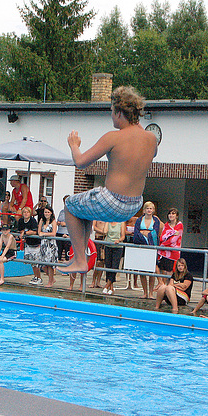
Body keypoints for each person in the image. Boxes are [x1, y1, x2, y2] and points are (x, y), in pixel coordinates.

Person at [57, 85, 157, 275]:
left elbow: (80, 162)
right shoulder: (151, 138)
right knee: (83, 211)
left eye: (112, 111)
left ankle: (80, 260)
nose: (111, 116)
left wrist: (74, 145)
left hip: (112, 201)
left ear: (119, 113)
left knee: (70, 206)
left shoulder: (113, 137)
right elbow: (149, 149)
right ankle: (82, 254)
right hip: (134, 204)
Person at [133, 201, 161, 299]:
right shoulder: (139, 220)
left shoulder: (155, 220)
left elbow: (155, 232)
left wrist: (147, 233)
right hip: (141, 247)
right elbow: (136, 233)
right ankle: (145, 292)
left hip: (152, 247)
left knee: (152, 271)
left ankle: (151, 293)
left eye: (151, 208)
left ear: (153, 210)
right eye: (147, 208)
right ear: (144, 210)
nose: (149, 210)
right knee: (142, 271)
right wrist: (143, 234)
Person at [156, 208, 183, 286]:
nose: (171, 215)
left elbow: (173, 240)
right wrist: (172, 233)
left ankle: (169, 288)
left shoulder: (179, 225)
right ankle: (163, 287)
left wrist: (164, 244)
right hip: (164, 252)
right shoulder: (166, 225)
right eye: (170, 213)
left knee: (170, 272)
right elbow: (162, 237)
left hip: (173, 252)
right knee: (163, 270)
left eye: (173, 213)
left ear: (177, 216)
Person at [18, 206, 42, 285]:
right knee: (32, 262)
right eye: (24, 212)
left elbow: (34, 232)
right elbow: (20, 230)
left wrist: (25, 233)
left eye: (27, 212)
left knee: (36, 262)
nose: (26, 213)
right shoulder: (21, 221)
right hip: (28, 243)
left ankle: (39, 278)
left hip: (35, 244)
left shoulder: (33, 220)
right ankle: (36, 276)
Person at [102, 220, 126, 295]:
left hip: (118, 247)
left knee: (114, 266)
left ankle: (107, 285)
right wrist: (107, 222)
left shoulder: (121, 223)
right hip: (108, 245)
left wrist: (118, 240)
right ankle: (111, 288)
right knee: (108, 266)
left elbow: (123, 236)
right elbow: (105, 232)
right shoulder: (108, 222)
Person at [38, 206, 58, 287]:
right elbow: (39, 231)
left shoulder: (53, 222)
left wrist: (44, 234)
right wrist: (41, 233)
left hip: (51, 245)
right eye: (45, 212)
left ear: (51, 213)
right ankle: (51, 278)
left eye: (48, 212)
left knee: (50, 264)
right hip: (43, 244)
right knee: (43, 265)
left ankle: (50, 281)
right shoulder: (42, 221)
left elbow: (53, 233)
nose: (46, 214)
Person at [91, 220, 106, 288]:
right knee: (98, 261)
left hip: (105, 240)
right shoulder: (97, 217)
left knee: (102, 262)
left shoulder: (108, 217)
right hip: (98, 238)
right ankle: (93, 281)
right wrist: (102, 231)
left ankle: (98, 281)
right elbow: (94, 227)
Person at [56, 195, 71, 262]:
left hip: (67, 233)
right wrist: (58, 222)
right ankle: (57, 266)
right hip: (59, 232)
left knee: (67, 251)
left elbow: (74, 223)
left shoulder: (72, 212)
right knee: (59, 250)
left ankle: (66, 269)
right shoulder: (62, 211)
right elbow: (58, 220)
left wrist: (65, 224)